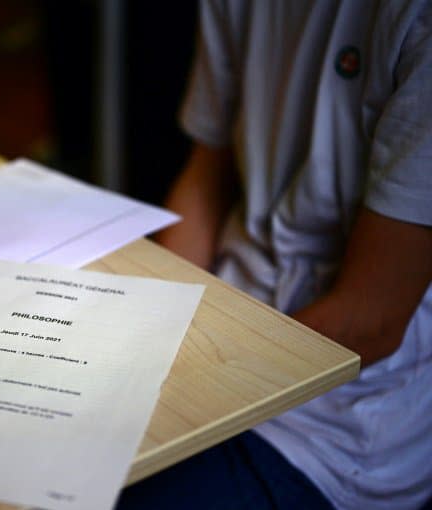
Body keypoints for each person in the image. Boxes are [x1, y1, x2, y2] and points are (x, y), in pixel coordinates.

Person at [116, 1, 432, 509]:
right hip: (223, 328)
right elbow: (204, 181)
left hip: (342, 421)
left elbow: (371, 319)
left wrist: (162, 381)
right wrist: (149, 325)